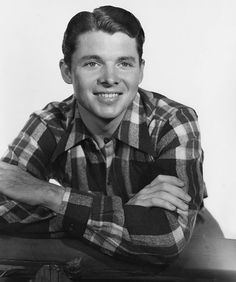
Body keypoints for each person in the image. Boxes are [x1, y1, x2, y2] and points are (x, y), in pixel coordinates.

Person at [0, 5, 223, 265]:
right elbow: (3, 208)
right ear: (67, 71)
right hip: (100, 259)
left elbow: (166, 236)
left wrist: (50, 195)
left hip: (196, 258)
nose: (109, 78)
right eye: (92, 63)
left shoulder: (173, 120)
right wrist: (129, 212)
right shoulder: (50, 123)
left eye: (124, 63)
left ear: (140, 70)